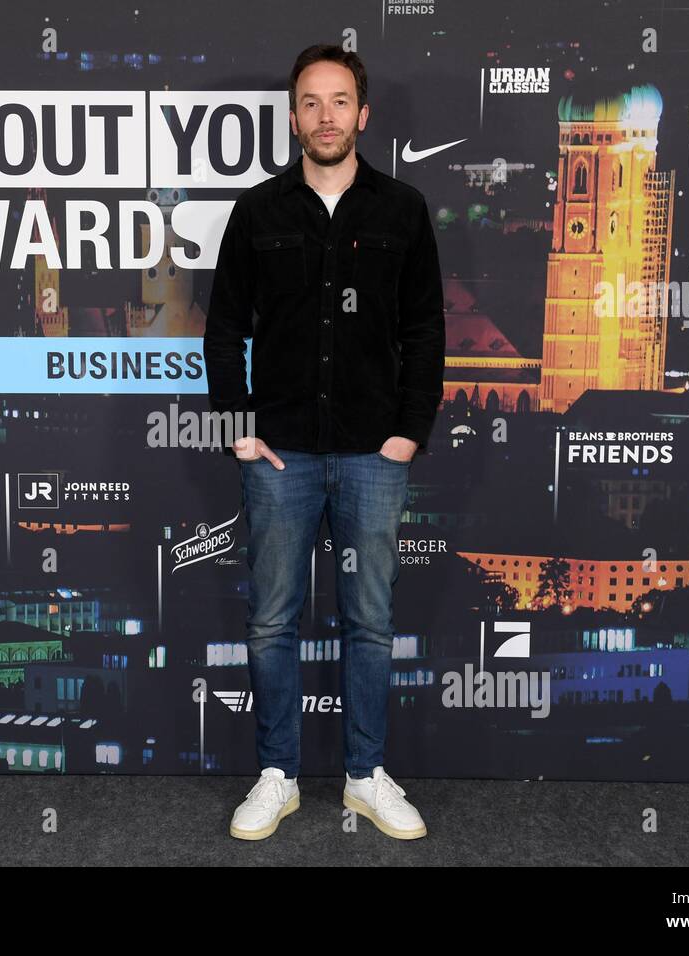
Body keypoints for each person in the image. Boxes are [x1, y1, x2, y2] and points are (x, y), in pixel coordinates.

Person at [203, 43, 446, 840]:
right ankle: (277, 775)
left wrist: (409, 432)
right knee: (273, 620)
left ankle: (365, 778)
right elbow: (225, 326)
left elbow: (424, 330)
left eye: (340, 101)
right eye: (311, 102)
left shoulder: (403, 211)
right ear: (295, 116)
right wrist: (238, 426)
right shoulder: (259, 212)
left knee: (369, 623)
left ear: (363, 114)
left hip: (376, 452)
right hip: (280, 453)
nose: (326, 116)